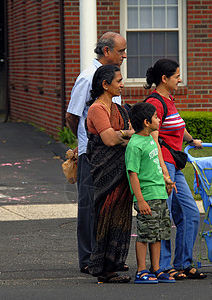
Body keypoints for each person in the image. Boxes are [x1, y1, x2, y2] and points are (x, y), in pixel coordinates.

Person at [65, 32, 127, 274]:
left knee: (108, 205)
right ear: (106, 52)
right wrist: (84, 141)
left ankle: (108, 257)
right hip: (92, 153)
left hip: (112, 153)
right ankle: (89, 258)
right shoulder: (87, 78)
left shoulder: (113, 78)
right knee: (89, 206)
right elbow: (72, 116)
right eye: (121, 51)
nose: (124, 55)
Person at [144, 58, 207, 280]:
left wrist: (191, 140)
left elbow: (178, 126)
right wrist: (163, 170)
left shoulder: (169, 99)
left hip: (175, 165)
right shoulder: (155, 103)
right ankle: (161, 266)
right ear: (164, 78)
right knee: (164, 215)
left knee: (190, 213)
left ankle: (183, 263)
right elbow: (152, 139)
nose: (180, 79)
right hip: (164, 165)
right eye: (176, 76)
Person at [85, 64, 135, 283]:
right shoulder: (97, 109)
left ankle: (114, 264)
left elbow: (133, 136)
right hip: (105, 171)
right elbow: (109, 139)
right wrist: (125, 134)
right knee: (106, 215)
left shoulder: (120, 109)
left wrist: (122, 134)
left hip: (122, 170)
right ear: (105, 85)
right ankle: (103, 269)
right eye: (118, 81)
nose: (122, 84)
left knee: (120, 216)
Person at [125, 102, 176, 284]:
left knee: (159, 233)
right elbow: (133, 174)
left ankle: (156, 269)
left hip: (159, 194)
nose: (159, 119)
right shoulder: (135, 145)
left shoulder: (150, 140)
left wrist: (166, 180)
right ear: (147, 122)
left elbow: (153, 167)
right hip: (147, 196)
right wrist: (141, 200)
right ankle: (141, 270)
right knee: (145, 234)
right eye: (156, 117)